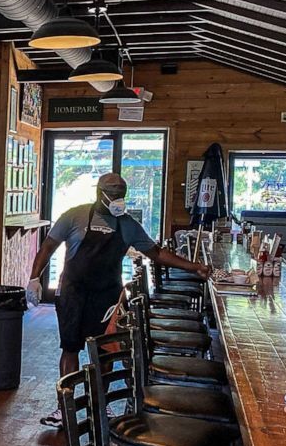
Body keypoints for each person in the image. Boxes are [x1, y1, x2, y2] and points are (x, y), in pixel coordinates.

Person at [27, 173, 209, 428]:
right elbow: (48, 246)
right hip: (73, 293)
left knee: (106, 352)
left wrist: (194, 267)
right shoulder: (75, 215)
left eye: (121, 194)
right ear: (99, 192)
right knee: (70, 348)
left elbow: (156, 253)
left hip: (108, 296)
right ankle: (63, 408)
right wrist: (35, 278)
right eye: (112, 194)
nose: (117, 199)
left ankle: (100, 404)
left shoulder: (128, 225)